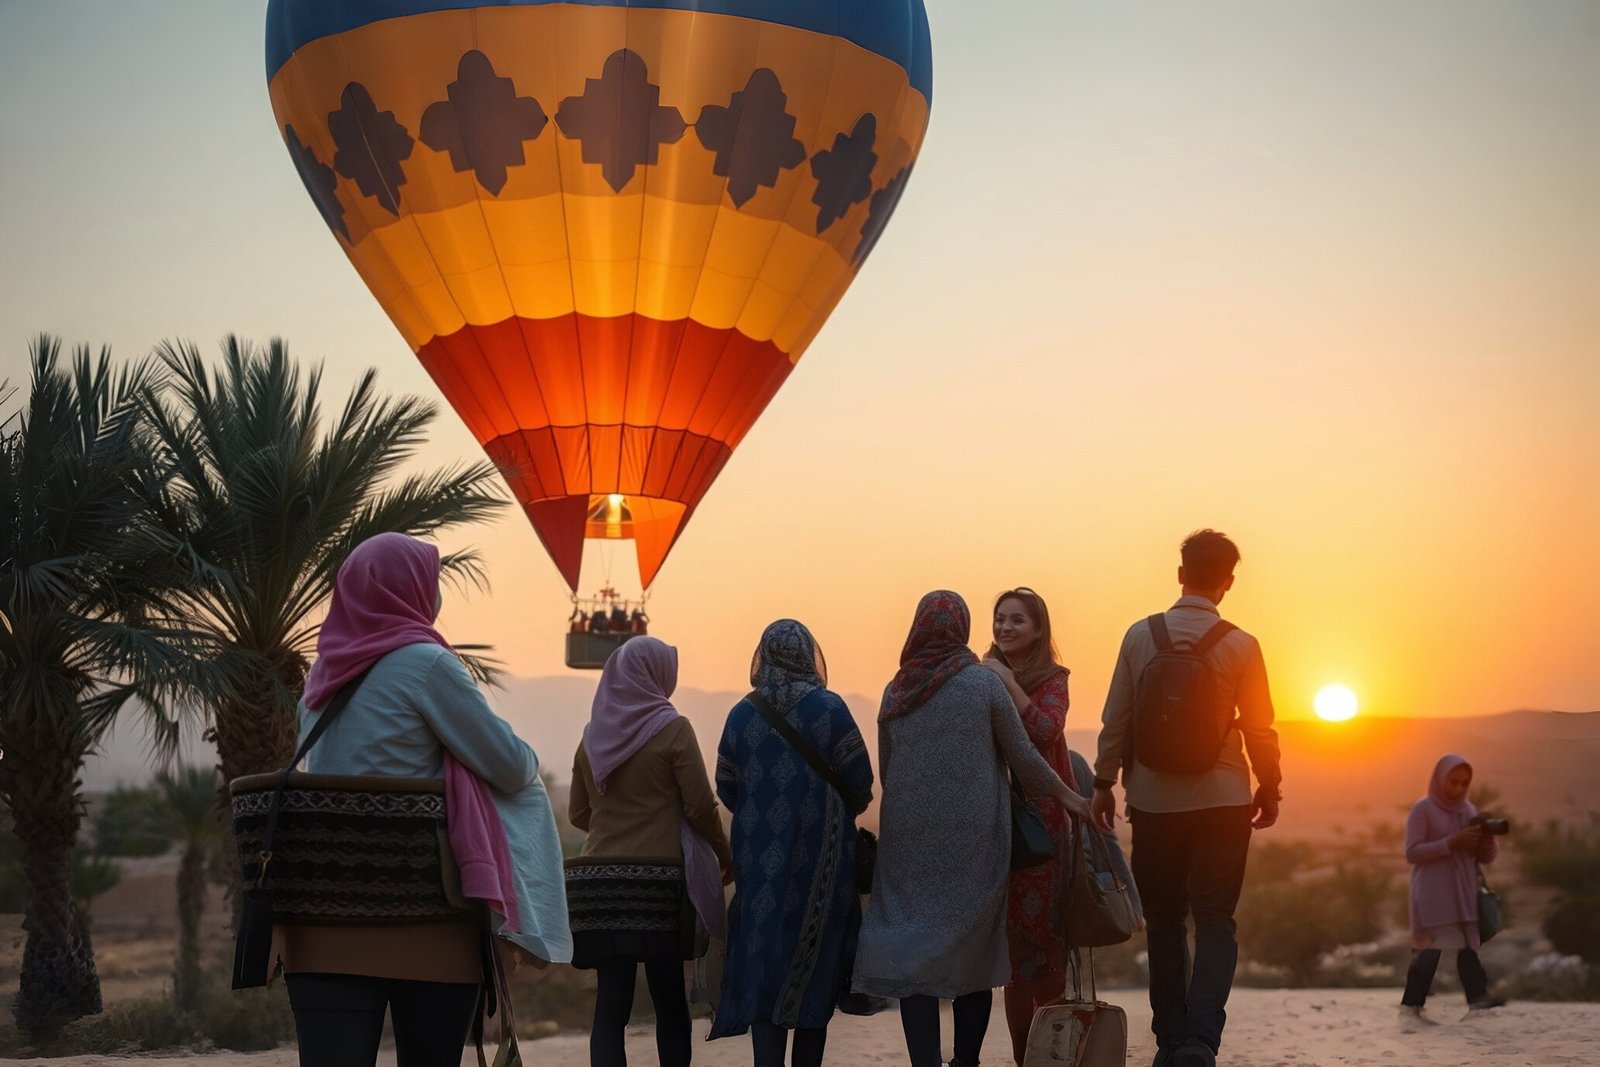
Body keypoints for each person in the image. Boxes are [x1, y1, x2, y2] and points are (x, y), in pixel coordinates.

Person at [281, 532, 572, 1067]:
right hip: (426, 915)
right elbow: (510, 767)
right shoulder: (426, 665)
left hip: (324, 917)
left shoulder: (320, 681)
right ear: (413, 591)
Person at [853, 590, 1088, 1067]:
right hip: (976, 840)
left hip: (909, 842)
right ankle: (966, 1061)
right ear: (961, 629)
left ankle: (925, 1061)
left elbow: (886, 768)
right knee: (974, 950)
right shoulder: (981, 684)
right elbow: (1023, 755)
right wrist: (1068, 795)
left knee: (916, 946)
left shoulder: (895, 690)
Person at [1089, 530, 1282, 1067]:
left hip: (1153, 802)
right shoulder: (1241, 644)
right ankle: (1201, 1041)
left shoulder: (1138, 635)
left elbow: (1116, 719)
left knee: (1166, 920)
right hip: (1223, 801)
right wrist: (1269, 786)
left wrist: (1104, 784)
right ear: (1228, 582)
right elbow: (1260, 728)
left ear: (1180, 575)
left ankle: (1170, 1040)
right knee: (1216, 919)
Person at [711, 620, 874, 1067]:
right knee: (815, 964)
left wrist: (759, 817)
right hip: (821, 865)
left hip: (759, 864)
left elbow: (726, 786)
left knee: (764, 960)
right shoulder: (830, 709)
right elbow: (862, 782)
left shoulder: (742, 715)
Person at [568, 637, 733, 1067]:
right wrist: (722, 854)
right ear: (659, 674)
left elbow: (579, 812)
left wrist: (617, 832)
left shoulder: (592, 737)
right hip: (657, 886)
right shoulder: (673, 729)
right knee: (668, 1001)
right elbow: (699, 806)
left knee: (611, 1005)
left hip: (599, 885)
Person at [979, 587, 1079, 1064]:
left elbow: (1043, 732)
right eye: (1000, 619)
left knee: (1046, 947)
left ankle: (1053, 1053)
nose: (1005, 628)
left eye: (1017, 620)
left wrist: (1008, 683)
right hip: (998, 824)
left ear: (1039, 630)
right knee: (1013, 955)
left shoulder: (1053, 679)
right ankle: (1025, 1056)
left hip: (1041, 827)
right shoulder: (979, 677)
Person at [1400, 754, 1504, 1024]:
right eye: (1453, 782)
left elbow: (1486, 858)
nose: (1458, 789)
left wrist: (1487, 840)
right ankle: (1411, 1008)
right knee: (1428, 952)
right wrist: (1452, 841)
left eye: (1464, 783)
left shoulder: (1468, 811)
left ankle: (1479, 1003)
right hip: (1433, 895)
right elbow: (1412, 853)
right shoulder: (1423, 809)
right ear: (1439, 779)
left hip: (1463, 896)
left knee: (1467, 949)